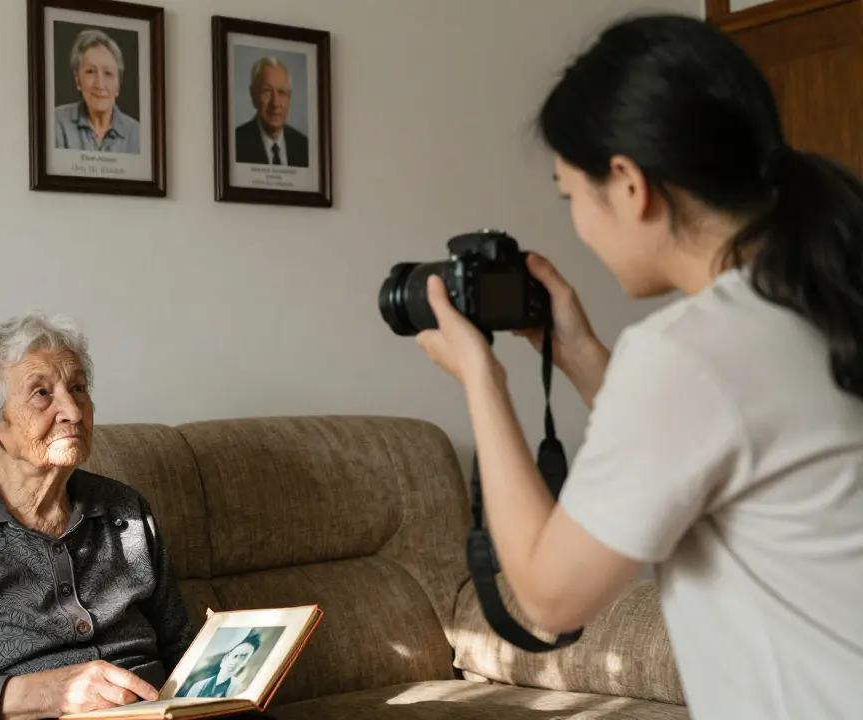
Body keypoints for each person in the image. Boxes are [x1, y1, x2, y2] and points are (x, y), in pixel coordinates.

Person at [412, 14, 863, 720]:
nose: (579, 226)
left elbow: (549, 597)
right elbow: (719, 437)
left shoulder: (690, 352)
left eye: (571, 196)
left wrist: (482, 380)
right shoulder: (816, 295)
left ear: (628, 183)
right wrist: (582, 355)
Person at [0, 313, 277, 720]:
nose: (74, 411)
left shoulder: (126, 510)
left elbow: (176, 646)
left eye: (78, 388)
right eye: (42, 393)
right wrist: (50, 693)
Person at [54, 29, 140, 154]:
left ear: (118, 85)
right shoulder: (56, 123)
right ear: (78, 81)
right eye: (90, 72)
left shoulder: (138, 135)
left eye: (108, 73)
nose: (100, 85)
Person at [234, 57, 307, 168]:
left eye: (281, 92)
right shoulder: (235, 144)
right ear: (253, 95)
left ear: (289, 97)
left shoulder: (304, 146)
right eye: (267, 91)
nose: (275, 103)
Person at [181, 634, 260, 699]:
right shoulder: (198, 686)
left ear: (245, 663)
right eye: (235, 656)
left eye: (243, 658)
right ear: (225, 658)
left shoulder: (239, 689)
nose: (236, 662)